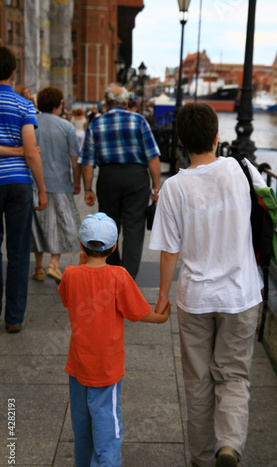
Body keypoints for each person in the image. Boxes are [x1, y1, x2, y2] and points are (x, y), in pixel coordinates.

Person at [149, 102, 267, 467]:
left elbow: (168, 251)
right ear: (217, 137)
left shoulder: (174, 188)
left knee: (198, 380)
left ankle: (202, 459)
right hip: (241, 294)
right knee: (233, 376)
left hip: (196, 297)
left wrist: (162, 297)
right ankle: (228, 448)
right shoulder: (242, 169)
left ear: (181, 142)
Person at [58, 212, 171, 467]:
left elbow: (65, 297)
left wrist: (83, 261)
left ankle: (83, 465)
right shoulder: (118, 276)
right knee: (107, 417)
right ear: (112, 247)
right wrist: (160, 318)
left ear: (82, 247)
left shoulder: (70, 274)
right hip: (106, 365)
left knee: (81, 416)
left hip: (77, 363)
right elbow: (138, 312)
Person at [79, 84, 161, 279]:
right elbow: (153, 158)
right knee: (134, 228)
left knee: (109, 225)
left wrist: (88, 189)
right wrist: (155, 186)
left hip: (108, 177)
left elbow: (88, 162)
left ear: (106, 102)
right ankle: (128, 277)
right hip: (136, 177)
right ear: (126, 102)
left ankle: (112, 272)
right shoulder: (139, 121)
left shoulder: (96, 124)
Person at [0, 47, 48, 334]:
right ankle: (14, 318)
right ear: (14, 73)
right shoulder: (23, 105)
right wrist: (42, 189)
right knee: (19, 252)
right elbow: (31, 153)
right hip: (18, 183)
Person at [31, 86, 81, 284]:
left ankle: (38, 268)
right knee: (60, 225)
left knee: (38, 226)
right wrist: (77, 182)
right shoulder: (66, 126)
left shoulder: (31, 123)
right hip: (60, 182)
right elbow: (74, 159)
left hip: (34, 182)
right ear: (57, 105)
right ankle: (54, 263)